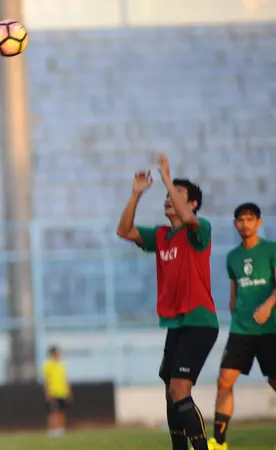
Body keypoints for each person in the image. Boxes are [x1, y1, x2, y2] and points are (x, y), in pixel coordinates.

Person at [115, 153, 219, 450]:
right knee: (170, 391)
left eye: (177, 194)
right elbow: (124, 231)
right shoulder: (161, 236)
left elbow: (188, 220)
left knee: (179, 390)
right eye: (167, 194)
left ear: (193, 204)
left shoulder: (199, 229)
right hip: (177, 323)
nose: (168, 198)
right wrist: (136, 194)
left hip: (199, 321)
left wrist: (165, 177)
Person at [208, 203, 276, 450]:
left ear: (259, 222)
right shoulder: (232, 257)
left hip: (270, 329)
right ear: (235, 223)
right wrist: (234, 308)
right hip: (241, 330)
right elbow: (234, 292)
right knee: (224, 380)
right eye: (240, 220)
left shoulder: (271, 250)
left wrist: (268, 305)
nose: (245, 224)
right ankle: (219, 442)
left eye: (250, 219)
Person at [42, 345, 72, 437]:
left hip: (62, 392)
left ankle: (60, 430)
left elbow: (65, 380)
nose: (58, 354)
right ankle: (52, 430)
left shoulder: (61, 365)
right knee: (53, 412)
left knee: (62, 411)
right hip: (53, 392)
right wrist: (47, 392)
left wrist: (69, 392)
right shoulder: (48, 365)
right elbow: (46, 380)